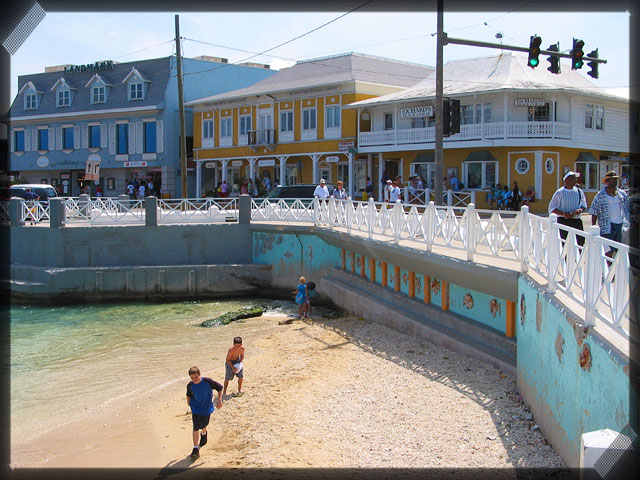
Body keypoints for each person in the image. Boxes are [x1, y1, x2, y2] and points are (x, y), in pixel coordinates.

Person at [589, 170, 632, 256]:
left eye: (615, 179)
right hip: (607, 226)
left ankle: (615, 267)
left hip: (620, 225)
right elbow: (594, 210)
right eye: (612, 179)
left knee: (619, 250)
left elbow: (628, 208)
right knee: (608, 250)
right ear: (607, 181)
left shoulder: (622, 194)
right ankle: (608, 267)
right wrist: (594, 225)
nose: (614, 181)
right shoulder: (600, 195)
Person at [186, 366, 223, 459]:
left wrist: (219, 400)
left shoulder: (207, 381)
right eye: (192, 378)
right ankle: (195, 449)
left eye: (196, 377)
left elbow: (220, 388)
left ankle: (204, 433)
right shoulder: (190, 385)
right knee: (195, 427)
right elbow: (188, 395)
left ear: (199, 375)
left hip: (206, 406)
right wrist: (189, 403)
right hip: (196, 407)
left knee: (204, 424)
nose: (194, 380)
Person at [548, 171, 588, 247]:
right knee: (565, 244)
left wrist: (579, 210)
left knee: (580, 243)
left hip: (576, 221)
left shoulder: (579, 191)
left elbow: (584, 205)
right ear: (566, 180)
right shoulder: (560, 192)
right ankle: (565, 258)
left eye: (575, 179)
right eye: (573, 179)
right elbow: (552, 208)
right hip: (564, 221)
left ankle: (578, 258)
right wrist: (564, 214)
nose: (575, 181)